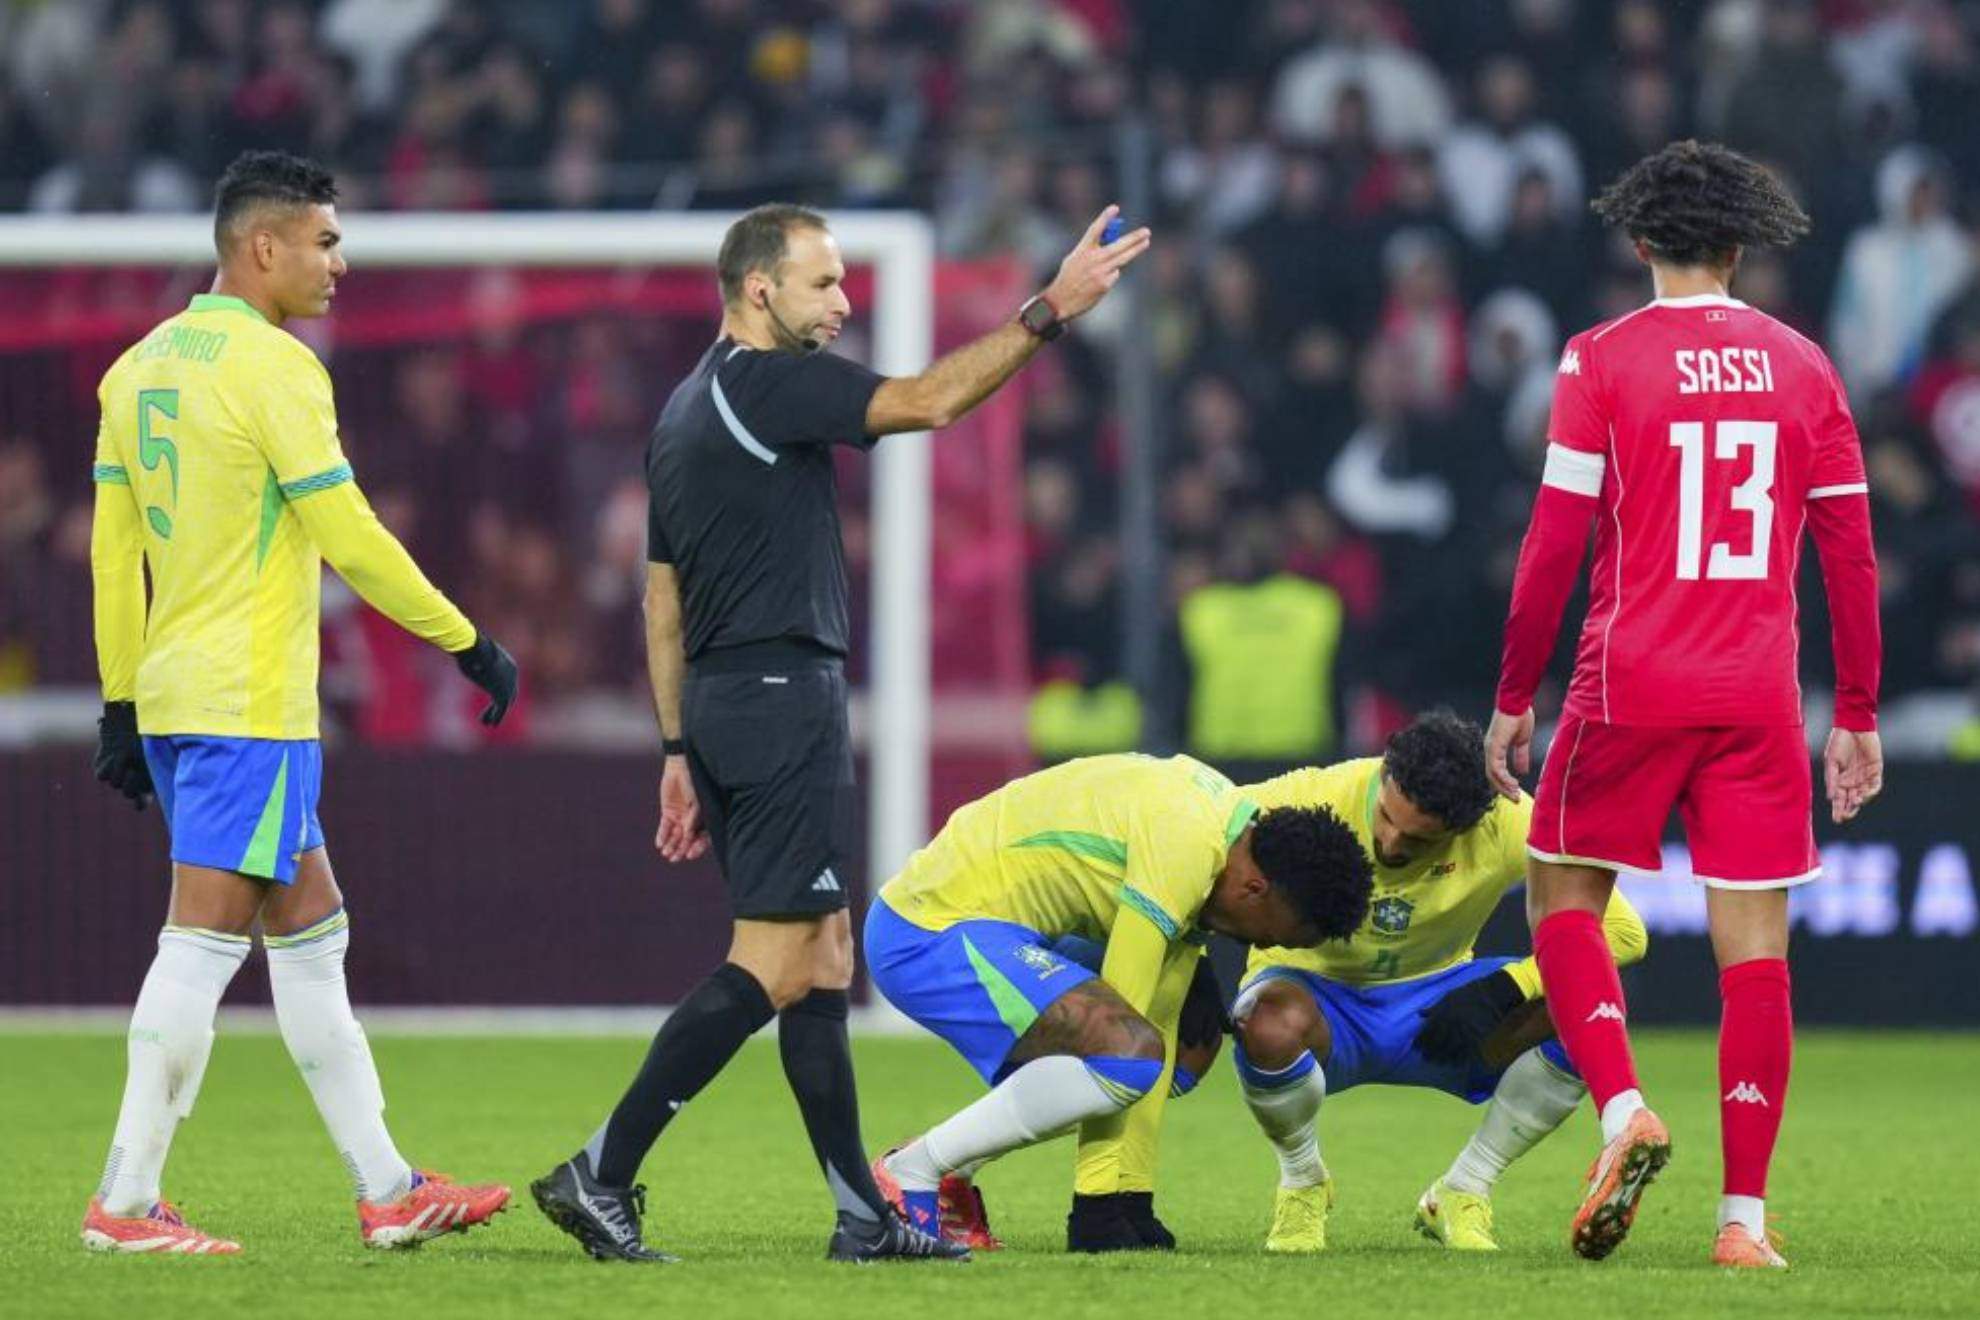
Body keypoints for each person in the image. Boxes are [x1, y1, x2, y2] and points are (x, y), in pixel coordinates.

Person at [530, 201, 1151, 1264]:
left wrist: (678, 751)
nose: (845, 301)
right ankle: (602, 1170)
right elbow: (928, 402)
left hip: (733, 704)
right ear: (760, 290)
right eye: (824, 283)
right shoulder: (770, 385)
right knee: (775, 960)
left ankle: (862, 1216)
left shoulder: (685, 410)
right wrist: (1052, 309)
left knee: (820, 958)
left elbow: (661, 604)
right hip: (779, 695)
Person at [84, 150, 519, 1254]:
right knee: (199, 945)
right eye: (325, 240)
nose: (342, 261)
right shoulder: (276, 368)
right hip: (247, 705)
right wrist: (461, 638)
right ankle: (125, 1203)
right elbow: (350, 534)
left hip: (182, 695)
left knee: (314, 931)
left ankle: (388, 1187)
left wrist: (121, 702)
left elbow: (112, 552)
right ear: (262, 247)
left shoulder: (135, 371)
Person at [1486, 140, 1883, 1269]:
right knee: (1756, 950)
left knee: (1559, 888)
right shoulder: (1806, 366)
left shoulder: (1599, 359)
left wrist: (1516, 693)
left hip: (1632, 680)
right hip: (1759, 694)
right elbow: (1851, 556)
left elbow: (1554, 542)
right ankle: (1743, 1224)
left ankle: (1621, 1111)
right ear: (1741, 243)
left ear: (1641, 241)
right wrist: (1854, 710)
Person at [863, 753, 1373, 1251]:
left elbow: (1159, 1025)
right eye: (1279, 935)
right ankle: (913, 1170)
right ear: (1255, 889)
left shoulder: (1224, 835)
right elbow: (1125, 1029)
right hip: (927, 930)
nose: (1263, 947)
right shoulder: (1186, 845)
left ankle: (956, 1169)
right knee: (1124, 1054)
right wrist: (1096, 1208)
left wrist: (1134, 1200)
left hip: (1003, 930)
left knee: (1183, 1051)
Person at [1226, 712, 1644, 1253]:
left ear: (1468, 826)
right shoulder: (1313, 794)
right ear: (1386, 773)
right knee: (1262, 1019)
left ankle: (1465, 1187)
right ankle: (1303, 1182)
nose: (1390, 843)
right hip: (1315, 999)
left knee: (1586, 1012)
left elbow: (1623, 933)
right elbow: (1204, 843)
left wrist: (1507, 988)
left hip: (1438, 1006)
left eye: (1418, 839)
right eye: (1385, 816)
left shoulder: (1508, 820)